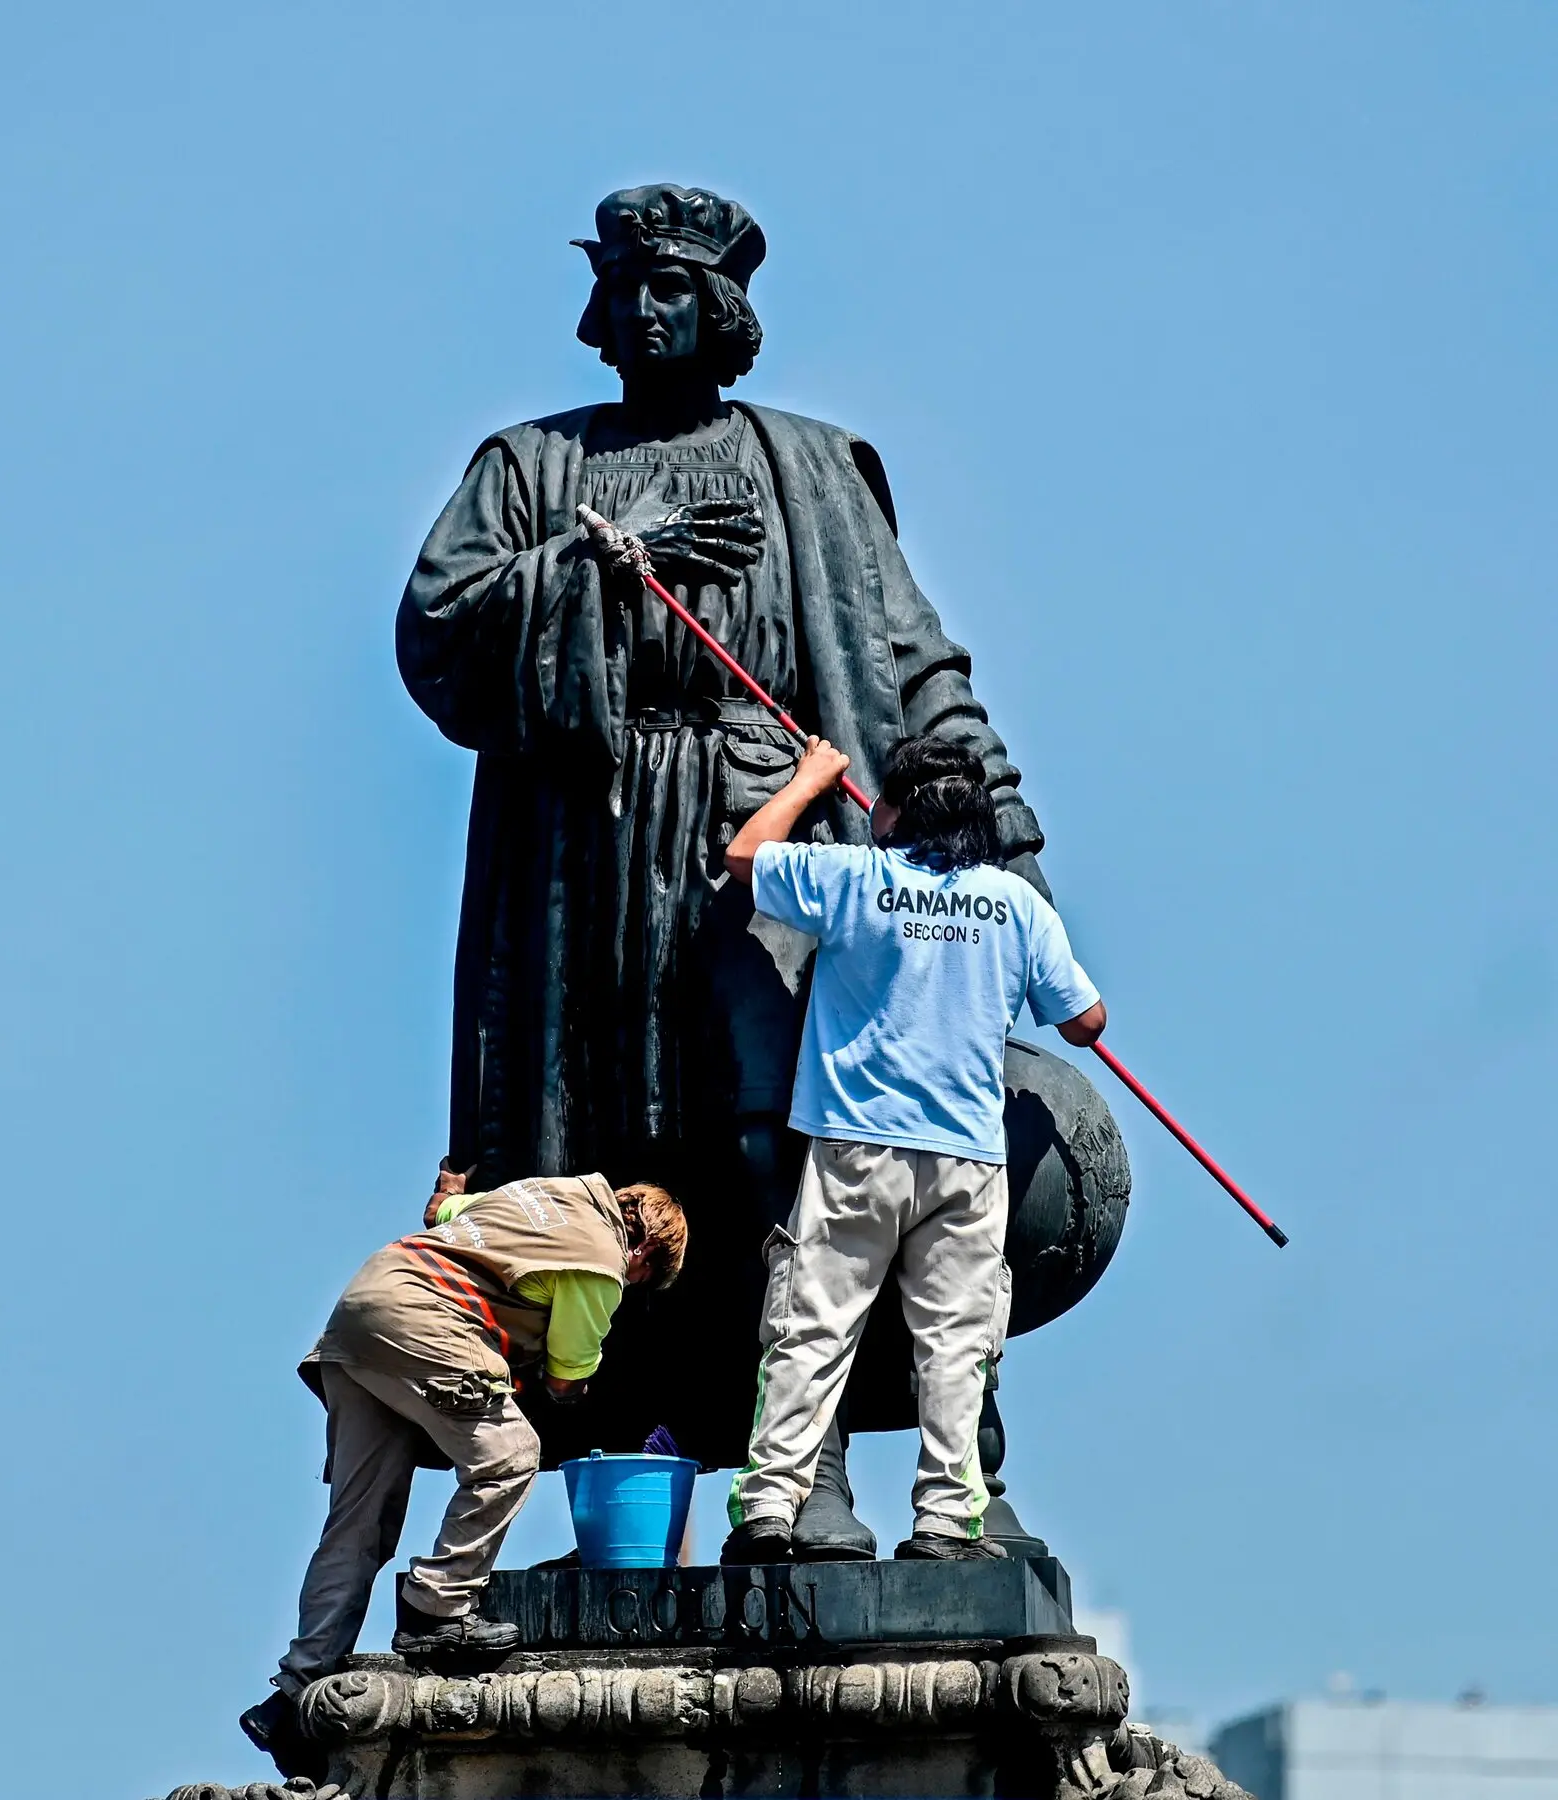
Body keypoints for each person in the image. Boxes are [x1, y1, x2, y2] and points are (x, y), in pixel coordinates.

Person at [397, 183, 1054, 1555]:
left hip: (774, 850)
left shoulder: (813, 470)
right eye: (627, 285)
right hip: (590, 858)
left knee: (785, 1156)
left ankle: (803, 1474)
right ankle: (620, 1491)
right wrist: (605, 572)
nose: (647, 308)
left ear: (727, 309)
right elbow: (440, 632)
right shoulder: (529, 468)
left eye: (676, 287)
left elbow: (912, 667)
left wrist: (1005, 845)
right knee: (609, 1176)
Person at [717, 733, 1106, 1565]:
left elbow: (746, 855)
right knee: (956, 1348)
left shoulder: (856, 881)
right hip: (967, 1161)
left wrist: (812, 777)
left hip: (857, 1151)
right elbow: (1084, 1021)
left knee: (812, 1332)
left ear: (891, 812)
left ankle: (768, 1511)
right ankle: (943, 1524)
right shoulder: (1013, 906)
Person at [240, 1167, 687, 1776]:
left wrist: (450, 1186)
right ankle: (439, 1607)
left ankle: (295, 1691)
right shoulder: (602, 1257)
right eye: (641, 1279)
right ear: (642, 1250)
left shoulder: (538, 1194)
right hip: (425, 1322)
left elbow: (443, 1213)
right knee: (510, 1455)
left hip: (363, 1313)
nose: (629, 1286)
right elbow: (567, 1376)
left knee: (358, 1520)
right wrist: (573, 1385)